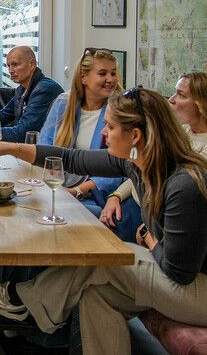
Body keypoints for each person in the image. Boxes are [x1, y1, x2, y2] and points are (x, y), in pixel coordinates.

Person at [0, 87, 207, 353]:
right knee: (98, 296)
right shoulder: (136, 162)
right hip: (197, 279)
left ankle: (19, 301)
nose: (103, 132)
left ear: (134, 135)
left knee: (104, 261)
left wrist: (147, 236)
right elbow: (71, 159)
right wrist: (8, 148)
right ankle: (21, 303)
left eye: (109, 127)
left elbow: (178, 271)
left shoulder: (185, 185)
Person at [101, 72, 207, 229]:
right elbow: (144, 166)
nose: (172, 100)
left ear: (203, 104)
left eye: (181, 95)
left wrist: (150, 229)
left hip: (163, 215)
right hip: (139, 205)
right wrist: (117, 195)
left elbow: (178, 181)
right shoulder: (184, 131)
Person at [39, 48, 141, 242]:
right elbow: (44, 146)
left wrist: (76, 191)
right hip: (57, 187)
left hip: (93, 195)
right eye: (102, 73)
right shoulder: (64, 103)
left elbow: (117, 168)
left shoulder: (118, 111)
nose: (110, 79)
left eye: (113, 73)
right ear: (84, 78)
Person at [0, 46, 63, 141]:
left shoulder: (44, 89)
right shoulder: (22, 88)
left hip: (50, 153)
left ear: (31, 65)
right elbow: (5, 114)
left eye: (15, 64)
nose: (10, 70)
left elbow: (22, 133)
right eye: (8, 66)